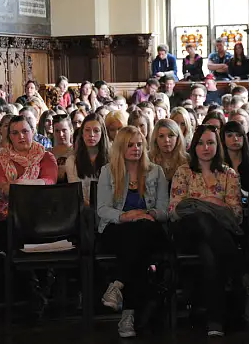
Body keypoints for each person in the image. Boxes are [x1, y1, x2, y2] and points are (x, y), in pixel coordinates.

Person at [169, 124, 244, 337]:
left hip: (217, 236)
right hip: (186, 231)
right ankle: (241, 272)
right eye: (201, 143)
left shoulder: (228, 174)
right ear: (194, 146)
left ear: (217, 145)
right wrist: (211, 205)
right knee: (200, 219)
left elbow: (236, 215)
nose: (205, 147)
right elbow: (176, 210)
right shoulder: (184, 172)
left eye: (210, 142)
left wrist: (201, 203)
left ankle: (215, 321)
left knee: (209, 253)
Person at [97, 125, 170, 338]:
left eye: (140, 144)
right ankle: (128, 315)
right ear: (120, 147)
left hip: (150, 228)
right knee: (136, 246)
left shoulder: (156, 171)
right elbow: (102, 210)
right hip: (118, 229)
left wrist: (150, 213)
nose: (136, 149)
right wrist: (125, 216)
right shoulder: (107, 171)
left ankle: (118, 284)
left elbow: (165, 209)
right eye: (130, 145)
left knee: (141, 231)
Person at [0, 116, 58, 240]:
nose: (21, 136)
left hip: (42, 212)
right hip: (8, 215)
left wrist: (18, 183)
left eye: (25, 131)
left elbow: (49, 182)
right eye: (15, 133)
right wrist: (33, 184)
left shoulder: (46, 157)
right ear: (9, 137)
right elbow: (1, 189)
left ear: (33, 132)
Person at [66, 115, 109, 204]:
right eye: (87, 130)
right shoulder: (72, 161)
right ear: (82, 133)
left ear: (102, 133)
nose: (91, 135)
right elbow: (75, 192)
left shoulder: (112, 158)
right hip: (83, 209)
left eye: (96, 131)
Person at [220, 120, 249, 193]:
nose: (235, 139)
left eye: (239, 135)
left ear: (244, 138)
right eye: (230, 135)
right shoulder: (217, 164)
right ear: (223, 139)